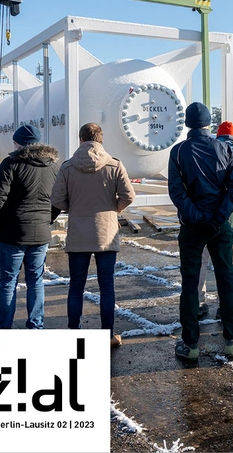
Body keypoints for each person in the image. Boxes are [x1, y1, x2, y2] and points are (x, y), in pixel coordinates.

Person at [168, 103, 233, 361]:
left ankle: (190, 345)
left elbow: (177, 192)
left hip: (192, 226)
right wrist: (217, 218)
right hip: (220, 226)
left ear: (187, 124)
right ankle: (231, 341)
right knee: (226, 281)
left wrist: (198, 219)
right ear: (209, 123)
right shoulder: (225, 149)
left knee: (190, 284)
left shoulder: (178, 152)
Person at [51, 123, 135, 346]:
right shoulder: (114, 165)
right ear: (101, 139)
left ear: (80, 139)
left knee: (76, 286)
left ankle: (74, 333)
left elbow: (57, 200)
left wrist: (74, 207)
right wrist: (114, 208)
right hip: (106, 234)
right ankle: (108, 335)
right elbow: (129, 195)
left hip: (78, 233)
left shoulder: (68, 167)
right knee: (106, 286)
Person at [0, 124, 59, 330]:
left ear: (18, 143)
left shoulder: (11, 163)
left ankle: (4, 327)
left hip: (12, 234)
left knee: (8, 281)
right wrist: (48, 219)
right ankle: (36, 325)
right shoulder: (53, 167)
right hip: (41, 233)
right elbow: (59, 199)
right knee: (36, 280)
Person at [197, 121, 233, 319]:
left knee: (201, 263)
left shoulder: (208, 154)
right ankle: (224, 306)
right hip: (229, 221)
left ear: (217, 136)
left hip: (205, 219)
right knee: (226, 266)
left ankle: (198, 303)